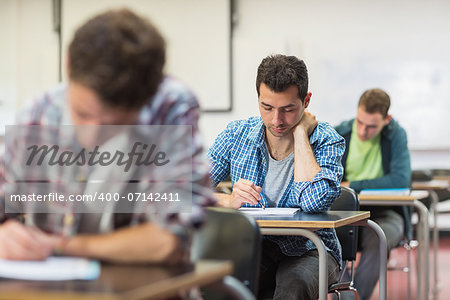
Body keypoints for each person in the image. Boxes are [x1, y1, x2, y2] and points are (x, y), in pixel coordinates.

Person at [0, 8, 213, 263]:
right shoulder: (37, 116)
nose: (91, 138)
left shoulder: (170, 107)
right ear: (67, 65)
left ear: (145, 99)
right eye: (82, 114)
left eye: (113, 125)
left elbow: (166, 241)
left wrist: (58, 245)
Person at [208, 54, 345, 300]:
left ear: (306, 101)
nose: (276, 121)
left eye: (288, 109)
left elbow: (314, 202)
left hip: (311, 249)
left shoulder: (326, 140)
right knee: (217, 283)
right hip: (254, 244)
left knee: (292, 286)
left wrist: (301, 134)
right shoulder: (236, 134)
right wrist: (227, 201)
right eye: (267, 107)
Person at [334, 88, 411, 300]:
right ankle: (347, 297)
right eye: (359, 122)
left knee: (380, 238)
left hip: (385, 213)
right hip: (346, 213)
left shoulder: (396, 134)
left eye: (371, 126)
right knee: (325, 237)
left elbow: (400, 180)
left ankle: (355, 298)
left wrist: (353, 185)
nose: (362, 131)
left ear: (387, 119)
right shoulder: (340, 132)